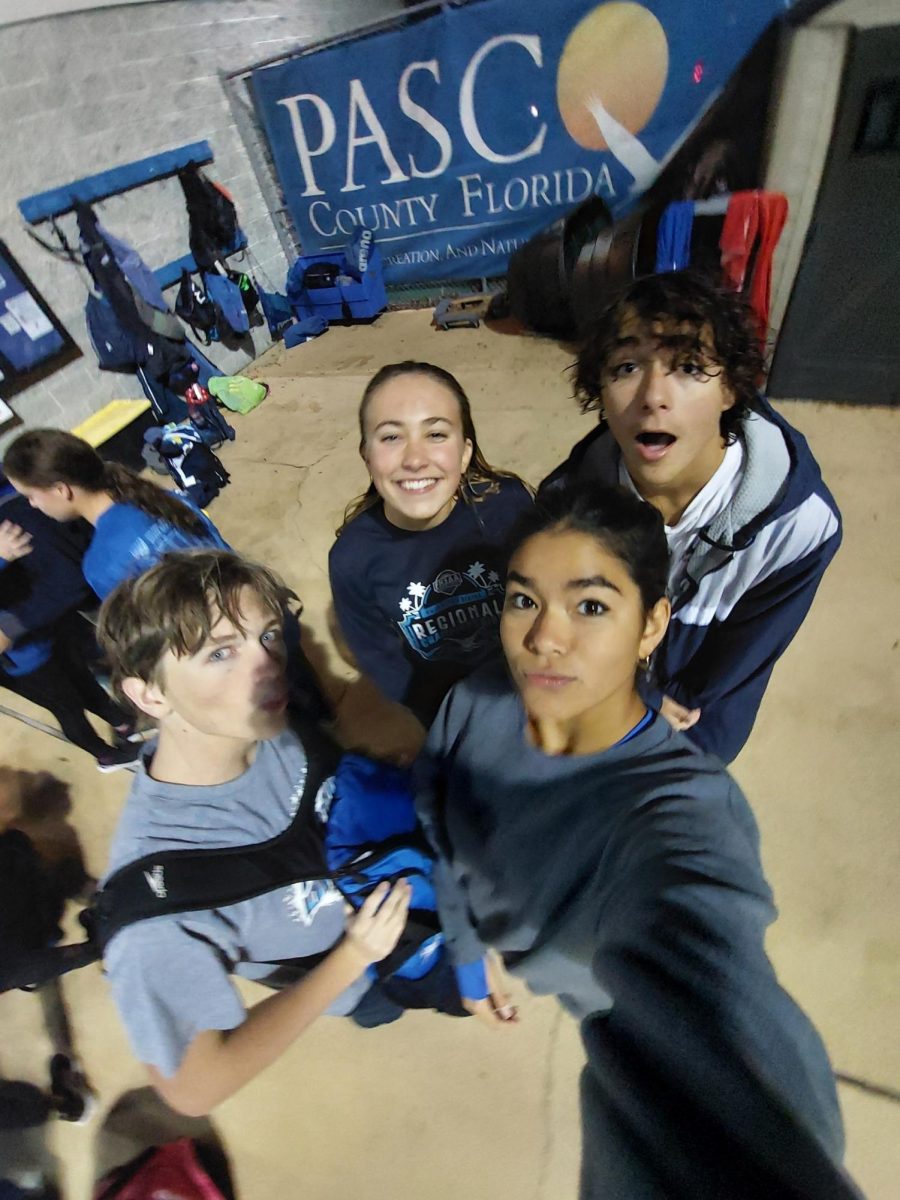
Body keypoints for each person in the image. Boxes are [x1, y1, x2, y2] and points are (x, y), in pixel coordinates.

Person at [416, 483, 862, 1200]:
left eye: (591, 606)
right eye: (524, 600)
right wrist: (469, 954)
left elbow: (708, 970)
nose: (543, 639)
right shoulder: (474, 703)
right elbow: (440, 826)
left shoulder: (683, 808)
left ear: (653, 624)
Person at [94, 547, 465, 1117]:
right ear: (150, 695)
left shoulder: (260, 725)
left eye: (267, 635)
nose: (268, 666)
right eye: (220, 653)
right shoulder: (155, 912)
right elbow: (194, 1089)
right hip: (371, 976)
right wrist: (352, 957)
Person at [542, 271, 841, 762]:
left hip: (698, 729)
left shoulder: (799, 528)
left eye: (687, 367)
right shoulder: (563, 508)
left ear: (731, 390)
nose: (653, 396)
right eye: (626, 367)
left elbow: (728, 674)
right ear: (599, 388)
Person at [329, 361, 533, 727]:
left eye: (436, 434)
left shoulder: (509, 507)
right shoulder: (353, 558)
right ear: (367, 455)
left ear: (465, 451)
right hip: (454, 723)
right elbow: (389, 671)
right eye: (391, 437)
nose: (415, 459)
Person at [2, 429, 228, 601]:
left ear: (61, 490)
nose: (31, 505)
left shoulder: (101, 565)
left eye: (30, 495)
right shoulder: (162, 496)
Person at [0, 492, 138, 771]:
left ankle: (121, 722)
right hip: (22, 661)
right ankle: (105, 755)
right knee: (67, 707)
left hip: (44, 633)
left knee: (83, 679)